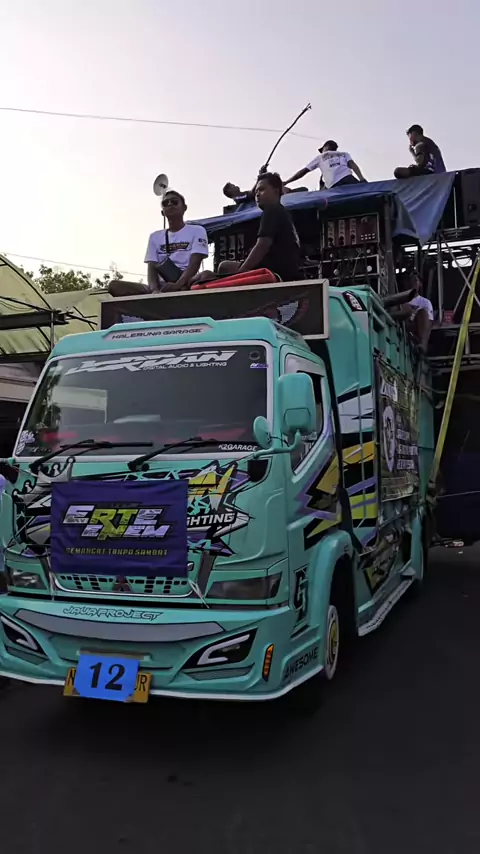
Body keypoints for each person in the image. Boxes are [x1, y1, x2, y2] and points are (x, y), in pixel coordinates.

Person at [203, 172, 302, 283]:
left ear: (276, 191)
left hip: (274, 271)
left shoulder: (272, 210)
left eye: (262, 189)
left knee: (221, 268)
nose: (257, 194)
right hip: (284, 269)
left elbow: (262, 245)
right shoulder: (282, 212)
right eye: (256, 191)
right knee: (224, 266)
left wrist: (241, 272)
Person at [109, 190, 208, 297]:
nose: (170, 204)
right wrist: (155, 291)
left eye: (174, 202)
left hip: (188, 283)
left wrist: (177, 285)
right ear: (162, 212)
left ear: (184, 208)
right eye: (165, 203)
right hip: (162, 287)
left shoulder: (197, 230)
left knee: (206, 275)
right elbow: (151, 267)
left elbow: (195, 263)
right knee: (114, 286)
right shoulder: (155, 237)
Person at [284, 140, 366, 191]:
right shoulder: (344, 154)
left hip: (333, 185)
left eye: (322, 149)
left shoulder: (320, 157)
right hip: (348, 178)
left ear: (326, 147)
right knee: (362, 194)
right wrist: (361, 179)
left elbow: (304, 171)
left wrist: (287, 182)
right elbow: (353, 165)